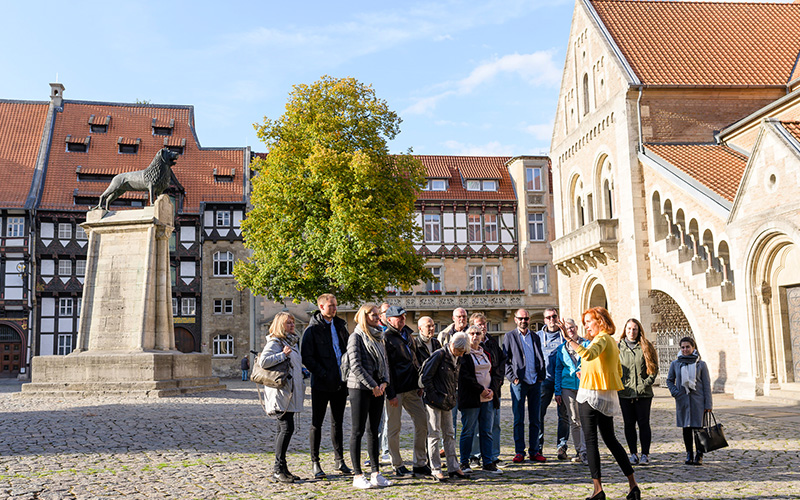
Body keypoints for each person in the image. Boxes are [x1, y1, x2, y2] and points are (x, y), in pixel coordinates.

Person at [558, 307, 640, 500]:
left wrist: (568, 339)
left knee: (592, 441)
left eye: (589, 321)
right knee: (611, 440)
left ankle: (598, 489)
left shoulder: (602, 338)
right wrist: (587, 373)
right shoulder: (611, 341)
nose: (586, 325)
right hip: (605, 395)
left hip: (590, 395)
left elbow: (588, 355)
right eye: (585, 321)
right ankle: (633, 485)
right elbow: (617, 371)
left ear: (600, 321)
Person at [300, 293, 352, 478]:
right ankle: (315, 462)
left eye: (335, 305)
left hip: (340, 382)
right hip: (321, 384)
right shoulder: (312, 330)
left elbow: (346, 350)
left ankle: (340, 460)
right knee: (317, 423)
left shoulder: (340, 325)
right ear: (321, 307)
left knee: (338, 422)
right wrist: (323, 373)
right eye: (331, 306)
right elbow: (307, 357)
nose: (334, 308)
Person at [346, 303, 393, 489]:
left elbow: (385, 363)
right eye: (372, 315)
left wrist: (384, 382)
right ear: (364, 317)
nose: (376, 317)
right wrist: (373, 385)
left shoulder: (379, 337)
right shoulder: (355, 337)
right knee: (357, 431)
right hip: (359, 388)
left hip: (378, 388)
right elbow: (355, 365)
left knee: (374, 431)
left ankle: (376, 473)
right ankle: (357, 474)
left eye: (377, 315)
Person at [383, 305, 431, 477]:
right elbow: (386, 367)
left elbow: (416, 361)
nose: (402, 319)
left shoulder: (409, 335)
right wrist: (391, 393)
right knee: (394, 427)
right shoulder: (386, 338)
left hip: (412, 388)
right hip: (396, 390)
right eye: (399, 317)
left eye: (404, 316)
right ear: (389, 320)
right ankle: (397, 463)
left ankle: (420, 462)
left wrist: (419, 384)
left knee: (422, 422)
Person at [259, 312, 304, 483]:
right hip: (280, 393)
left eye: (292, 322)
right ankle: (278, 469)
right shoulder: (275, 341)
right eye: (288, 323)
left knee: (283, 429)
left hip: (289, 392)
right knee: (286, 428)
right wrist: (282, 355)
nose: (292, 325)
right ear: (280, 325)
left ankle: (283, 468)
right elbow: (264, 361)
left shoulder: (290, 342)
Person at [419, 332, 471, 481]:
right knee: (434, 434)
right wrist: (434, 397)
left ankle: (454, 467)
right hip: (434, 401)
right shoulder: (439, 355)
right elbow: (426, 378)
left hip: (448, 400)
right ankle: (435, 469)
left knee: (449, 434)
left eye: (463, 352)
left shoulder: (457, 357)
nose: (461, 355)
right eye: (459, 351)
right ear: (453, 345)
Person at [503, 308, 546, 464]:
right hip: (519, 383)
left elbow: (540, 356)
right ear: (515, 319)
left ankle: (534, 451)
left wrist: (541, 375)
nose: (523, 321)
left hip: (535, 381)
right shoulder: (509, 337)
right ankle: (519, 451)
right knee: (518, 418)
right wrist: (512, 377)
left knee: (536, 419)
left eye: (526, 318)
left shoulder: (535, 336)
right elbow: (505, 360)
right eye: (520, 318)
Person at [459, 325, 503, 474]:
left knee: (487, 431)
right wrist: (481, 390)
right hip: (472, 398)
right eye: (471, 333)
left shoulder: (486, 353)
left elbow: (495, 371)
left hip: (488, 398)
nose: (475, 336)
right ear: (467, 336)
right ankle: (464, 463)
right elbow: (465, 377)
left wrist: (492, 389)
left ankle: (488, 462)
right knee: (468, 431)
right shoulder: (464, 354)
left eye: (478, 333)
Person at [618, 318, 659, 466]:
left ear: (639, 330)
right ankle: (633, 453)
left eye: (634, 329)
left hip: (643, 394)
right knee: (629, 424)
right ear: (625, 330)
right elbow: (614, 369)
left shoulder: (646, 346)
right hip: (625, 393)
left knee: (643, 423)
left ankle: (645, 454)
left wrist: (645, 383)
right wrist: (620, 385)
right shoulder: (618, 348)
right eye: (629, 329)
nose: (631, 332)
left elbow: (654, 368)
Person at [666, 337, 712, 466]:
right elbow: (669, 380)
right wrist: (675, 392)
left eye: (687, 347)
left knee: (698, 429)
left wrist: (708, 404)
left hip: (698, 401)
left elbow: (707, 386)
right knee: (686, 429)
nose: (685, 349)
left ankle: (699, 454)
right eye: (683, 347)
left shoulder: (700, 364)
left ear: (693, 348)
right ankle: (689, 453)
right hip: (683, 401)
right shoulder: (675, 364)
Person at [468, 312, 506, 467]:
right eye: (478, 324)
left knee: (494, 424)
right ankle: (475, 456)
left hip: (493, 391)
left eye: (484, 324)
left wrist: (495, 385)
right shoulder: (469, 344)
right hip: (475, 392)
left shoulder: (492, 342)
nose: (482, 327)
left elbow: (501, 363)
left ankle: (492, 455)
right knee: (475, 425)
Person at [554, 318, 588, 465]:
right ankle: (580, 451)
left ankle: (587, 451)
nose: (571, 330)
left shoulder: (586, 344)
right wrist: (558, 391)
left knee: (585, 419)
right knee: (574, 420)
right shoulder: (561, 349)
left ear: (576, 328)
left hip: (584, 386)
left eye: (572, 327)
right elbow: (558, 369)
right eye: (567, 329)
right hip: (567, 387)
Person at [539, 307, 570, 460]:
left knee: (563, 416)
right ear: (544, 320)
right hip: (544, 381)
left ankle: (561, 447)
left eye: (554, 316)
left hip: (563, 381)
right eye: (548, 317)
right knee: (539, 414)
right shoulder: (537, 337)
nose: (552, 320)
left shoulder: (565, 336)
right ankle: (538, 447)